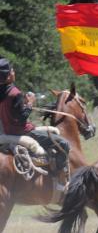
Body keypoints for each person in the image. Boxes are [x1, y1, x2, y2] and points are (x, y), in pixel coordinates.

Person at [0, 57, 72, 189]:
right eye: (12, 70)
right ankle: (59, 179)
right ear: (9, 75)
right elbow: (22, 118)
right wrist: (30, 103)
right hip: (24, 132)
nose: (14, 72)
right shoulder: (15, 93)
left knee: (54, 131)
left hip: (7, 131)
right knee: (64, 144)